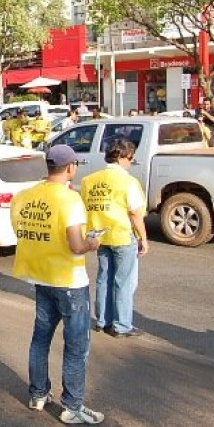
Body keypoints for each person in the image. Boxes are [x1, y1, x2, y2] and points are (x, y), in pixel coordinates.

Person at [10, 145, 103, 424]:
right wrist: (92, 242)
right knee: (76, 346)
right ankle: (72, 406)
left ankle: (38, 394)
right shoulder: (69, 200)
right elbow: (76, 245)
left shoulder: (25, 196)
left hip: (40, 276)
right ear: (70, 168)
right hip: (69, 281)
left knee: (41, 338)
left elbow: (20, 230)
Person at [81, 139, 149, 339]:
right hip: (121, 235)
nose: (131, 163)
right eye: (130, 159)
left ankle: (103, 320)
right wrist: (143, 238)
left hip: (100, 236)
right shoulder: (128, 182)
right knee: (124, 282)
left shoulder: (89, 180)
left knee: (104, 278)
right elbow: (135, 213)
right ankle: (121, 325)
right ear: (122, 157)